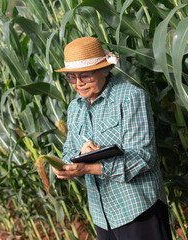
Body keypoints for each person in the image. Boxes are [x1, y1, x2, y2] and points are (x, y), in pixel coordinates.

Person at [53, 37, 172, 240]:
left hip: (138, 208)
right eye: (72, 78)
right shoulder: (75, 108)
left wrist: (89, 168)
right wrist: (72, 162)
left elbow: (144, 157)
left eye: (85, 76)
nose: (78, 84)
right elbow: (67, 153)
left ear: (104, 70)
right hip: (102, 215)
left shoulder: (130, 97)